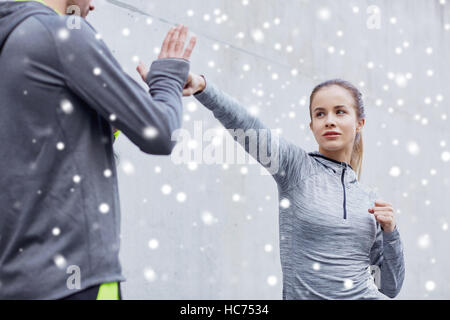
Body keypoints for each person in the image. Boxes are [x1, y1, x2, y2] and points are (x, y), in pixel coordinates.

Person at [0, 0, 196, 299]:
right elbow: (160, 132)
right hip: (73, 281)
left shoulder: (12, 42)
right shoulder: (62, 34)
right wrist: (168, 78)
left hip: (17, 279)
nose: (91, 6)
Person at [180, 73, 405, 299]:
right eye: (320, 114)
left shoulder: (369, 199)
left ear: (359, 124)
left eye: (340, 111)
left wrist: (391, 233)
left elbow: (388, 287)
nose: (329, 120)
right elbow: (249, 126)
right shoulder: (296, 167)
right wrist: (203, 87)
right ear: (312, 126)